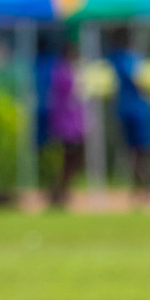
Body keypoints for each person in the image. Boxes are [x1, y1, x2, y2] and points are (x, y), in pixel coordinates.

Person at [106, 27, 150, 204]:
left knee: (137, 154)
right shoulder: (128, 58)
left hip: (130, 110)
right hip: (137, 110)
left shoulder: (118, 58)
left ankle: (144, 189)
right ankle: (147, 188)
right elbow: (138, 81)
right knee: (140, 153)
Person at [45, 39, 85, 209]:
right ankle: (58, 191)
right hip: (67, 123)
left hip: (72, 122)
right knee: (69, 158)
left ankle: (60, 190)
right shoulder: (63, 71)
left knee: (72, 159)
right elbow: (69, 96)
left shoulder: (67, 70)